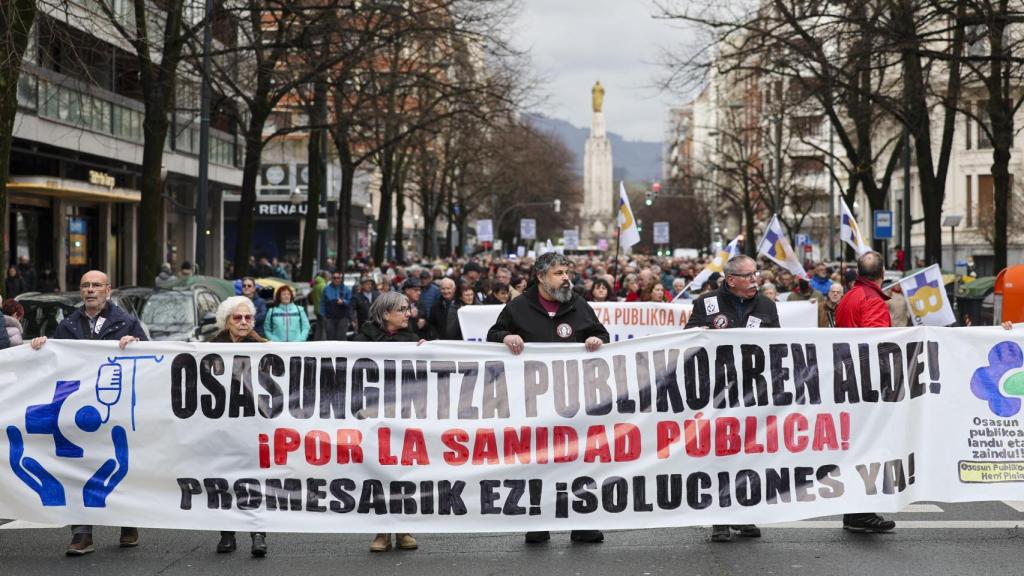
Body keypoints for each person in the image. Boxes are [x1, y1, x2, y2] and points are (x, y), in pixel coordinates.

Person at [486, 252, 609, 545]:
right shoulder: (518, 307)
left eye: (567, 272)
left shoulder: (578, 305)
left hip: (575, 402)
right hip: (534, 401)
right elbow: (494, 334)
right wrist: (505, 338)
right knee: (539, 462)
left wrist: (596, 339)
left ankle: (582, 523)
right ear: (540, 277)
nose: (566, 277)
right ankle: (539, 522)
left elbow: (601, 333)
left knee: (577, 461)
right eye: (558, 273)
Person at [29, 270, 147, 556]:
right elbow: (55, 367)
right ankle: (82, 532)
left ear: (108, 290)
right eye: (85, 286)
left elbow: (150, 360)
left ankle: (127, 520)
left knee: (118, 464)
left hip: (114, 408)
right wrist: (40, 348)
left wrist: (136, 344)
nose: (90, 290)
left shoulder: (127, 322)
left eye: (96, 285)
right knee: (77, 468)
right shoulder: (67, 324)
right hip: (76, 409)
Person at [685, 255, 776, 543]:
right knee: (720, 455)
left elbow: (778, 345)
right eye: (748, 276)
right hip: (717, 392)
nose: (755, 280)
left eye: (756, 274)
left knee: (748, 453)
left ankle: (744, 514)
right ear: (731, 279)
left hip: (752, 392)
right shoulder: (707, 304)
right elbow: (688, 338)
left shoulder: (766, 306)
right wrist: (699, 334)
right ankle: (719, 519)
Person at [833, 251, 897, 534]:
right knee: (868, 447)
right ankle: (860, 512)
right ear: (882, 274)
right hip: (866, 384)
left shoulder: (849, 296)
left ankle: (855, 511)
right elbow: (876, 345)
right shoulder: (872, 301)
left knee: (857, 446)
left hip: (848, 380)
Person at [353, 292, 422, 553]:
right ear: (385, 314)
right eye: (403, 309)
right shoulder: (362, 340)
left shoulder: (413, 340)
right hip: (373, 415)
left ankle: (403, 529)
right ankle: (382, 531)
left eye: (409, 309)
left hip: (403, 414)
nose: (408, 314)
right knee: (378, 472)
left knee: (403, 471)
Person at [211, 296, 269, 557]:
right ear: (226, 321)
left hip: (254, 426)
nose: (244, 322)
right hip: (221, 427)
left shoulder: (264, 347)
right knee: (223, 479)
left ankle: (258, 534)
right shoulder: (209, 348)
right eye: (238, 318)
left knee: (254, 480)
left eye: (248, 318)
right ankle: (227, 533)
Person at [321, 272, 351, 340]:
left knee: (341, 339)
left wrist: (343, 302)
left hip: (342, 318)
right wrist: (323, 315)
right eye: (334, 278)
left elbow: (350, 302)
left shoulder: (346, 289)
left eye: (338, 278)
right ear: (331, 279)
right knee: (330, 339)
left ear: (341, 279)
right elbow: (322, 302)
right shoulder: (326, 289)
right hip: (329, 318)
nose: (336, 279)